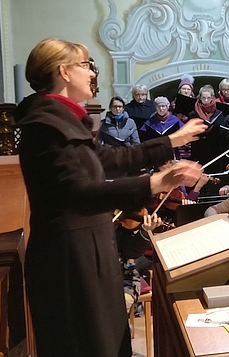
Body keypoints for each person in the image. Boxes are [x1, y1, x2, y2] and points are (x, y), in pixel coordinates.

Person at [14, 38, 206, 357]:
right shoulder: (45, 127)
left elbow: (109, 158)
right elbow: (78, 193)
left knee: (108, 342)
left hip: (87, 252)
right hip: (70, 262)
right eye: (85, 65)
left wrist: (171, 141)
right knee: (88, 346)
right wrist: (156, 181)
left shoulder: (64, 120)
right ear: (63, 72)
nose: (92, 73)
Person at [188, 84, 225, 171]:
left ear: (212, 98)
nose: (206, 100)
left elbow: (222, 132)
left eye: (208, 98)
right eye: (203, 98)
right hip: (198, 149)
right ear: (200, 98)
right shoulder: (193, 114)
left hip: (214, 150)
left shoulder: (218, 114)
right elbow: (189, 132)